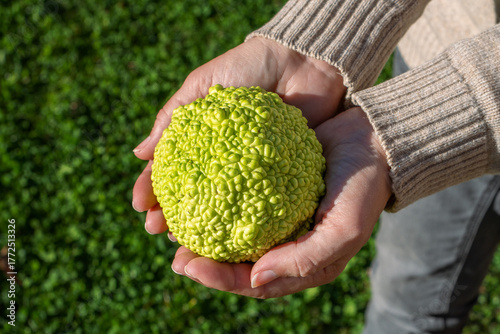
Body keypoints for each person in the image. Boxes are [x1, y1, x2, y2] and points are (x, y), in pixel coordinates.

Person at [132, 0, 500, 332]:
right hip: (443, 43)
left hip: (463, 117)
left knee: (418, 299)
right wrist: (313, 46)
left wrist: (455, 111)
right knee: (407, 292)